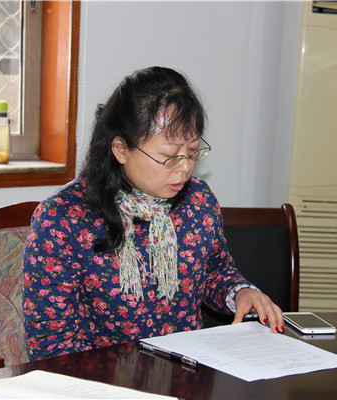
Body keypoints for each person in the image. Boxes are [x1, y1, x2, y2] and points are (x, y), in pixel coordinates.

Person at [22, 66, 285, 360]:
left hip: (187, 370)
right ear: (121, 149)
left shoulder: (197, 201)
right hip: (98, 378)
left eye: (193, 152)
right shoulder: (64, 218)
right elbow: (50, 340)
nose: (185, 168)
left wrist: (240, 292)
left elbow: (214, 271)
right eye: (170, 157)